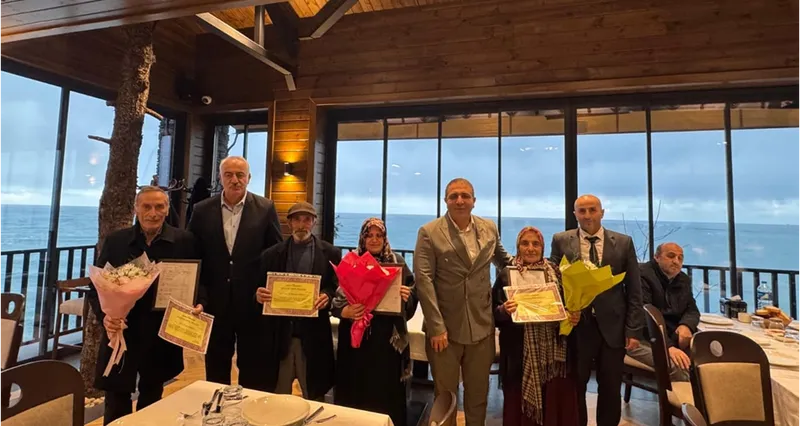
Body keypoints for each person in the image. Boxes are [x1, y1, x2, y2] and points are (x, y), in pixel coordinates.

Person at [87, 186, 197, 425]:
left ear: (167, 209)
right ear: (136, 208)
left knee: (153, 395)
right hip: (122, 332)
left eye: (159, 207)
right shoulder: (116, 241)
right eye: (146, 206)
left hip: (159, 333)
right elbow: (95, 288)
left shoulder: (184, 241)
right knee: (116, 398)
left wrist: (198, 305)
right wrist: (106, 316)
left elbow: (198, 282)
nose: (153, 213)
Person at [414, 177, 513, 426]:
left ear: (474, 201)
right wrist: (436, 327)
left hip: (482, 326)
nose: (460, 200)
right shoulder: (429, 232)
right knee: (445, 397)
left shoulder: (489, 228)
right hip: (445, 329)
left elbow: (505, 263)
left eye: (465, 196)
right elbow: (424, 280)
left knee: (478, 395)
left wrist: (536, 270)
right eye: (454, 196)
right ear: (445, 201)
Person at [188, 156, 283, 390]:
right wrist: (198, 296)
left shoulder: (265, 208)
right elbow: (193, 255)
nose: (235, 180)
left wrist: (267, 289)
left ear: (248, 178)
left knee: (252, 366)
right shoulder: (201, 210)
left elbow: (276, 253)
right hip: (215, 302)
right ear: (220, 178)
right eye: (228, 174)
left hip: (252, 301)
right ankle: (219, 407)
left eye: (240, 175)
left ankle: (250, 408)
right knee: (216, 365)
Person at [549, 194, 643, 426]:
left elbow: (634, 290)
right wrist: (564, 313)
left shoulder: (624, 242)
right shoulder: (561, 240)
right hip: (577, 327)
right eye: (582, 211)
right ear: (575, 214)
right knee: (576, 385)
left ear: (602, 212)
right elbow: (554, 284)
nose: (587, 215)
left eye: (592, 210)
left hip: (613, 328)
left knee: (610, 386)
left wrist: (633, 330)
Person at [331, 218, 417, 426]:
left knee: (385, 389)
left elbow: (412, 297)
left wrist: (406, 296)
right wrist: (345, 311)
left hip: (386, 342)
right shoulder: (351, 261)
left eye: (379, 235)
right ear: (362, 238)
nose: (374, 239)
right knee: (354, 387)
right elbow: (335, 301)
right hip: (356, 342)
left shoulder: (397, 262)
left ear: (385, 238)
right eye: (369, 235)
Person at [493, 226, 580, 426]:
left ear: (542, 247)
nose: (530, 248)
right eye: (525, 243)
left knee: (555, 405)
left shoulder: (556, 273)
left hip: (554, 357)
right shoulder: (507, 274)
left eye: (536, 244)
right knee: (518, 408)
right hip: (518, 356)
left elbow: (569, 306)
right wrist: (504, 310)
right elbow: (493, 314)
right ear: (518, 247)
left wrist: (574, 316)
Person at [255, 202, 339, 401]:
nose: (302, 225)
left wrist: (327, 296)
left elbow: (336, 287)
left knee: (314, 395)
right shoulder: (270, 255)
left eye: (307, 220)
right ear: (289, 223)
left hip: (314, 334)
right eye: (297, 220)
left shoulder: (331, 254)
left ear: (314, 222)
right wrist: (258, 295)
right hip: (281, 335)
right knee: (279, 397)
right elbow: (257, 287)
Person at [628, 242, 697, 381]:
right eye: (671, 256)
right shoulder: (641, 275)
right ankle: (686, 396)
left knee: (708, 357)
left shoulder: (683, 280)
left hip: (672, 336)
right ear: (656, 257)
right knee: (680, 368)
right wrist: (668, 347)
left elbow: (692, 309)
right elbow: (644, 317)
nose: (676, 261)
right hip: (640, 337)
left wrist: (686, 325)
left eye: (680, 258)